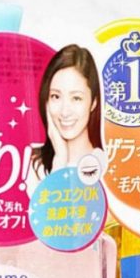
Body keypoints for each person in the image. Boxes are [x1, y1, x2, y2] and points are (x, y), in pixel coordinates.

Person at [29, 44, 103, 182]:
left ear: (93, 102)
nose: (64, 112)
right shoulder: (32, 165)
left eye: (76, 98)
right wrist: (60, 159)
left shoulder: (105, 164)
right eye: (56, 96)